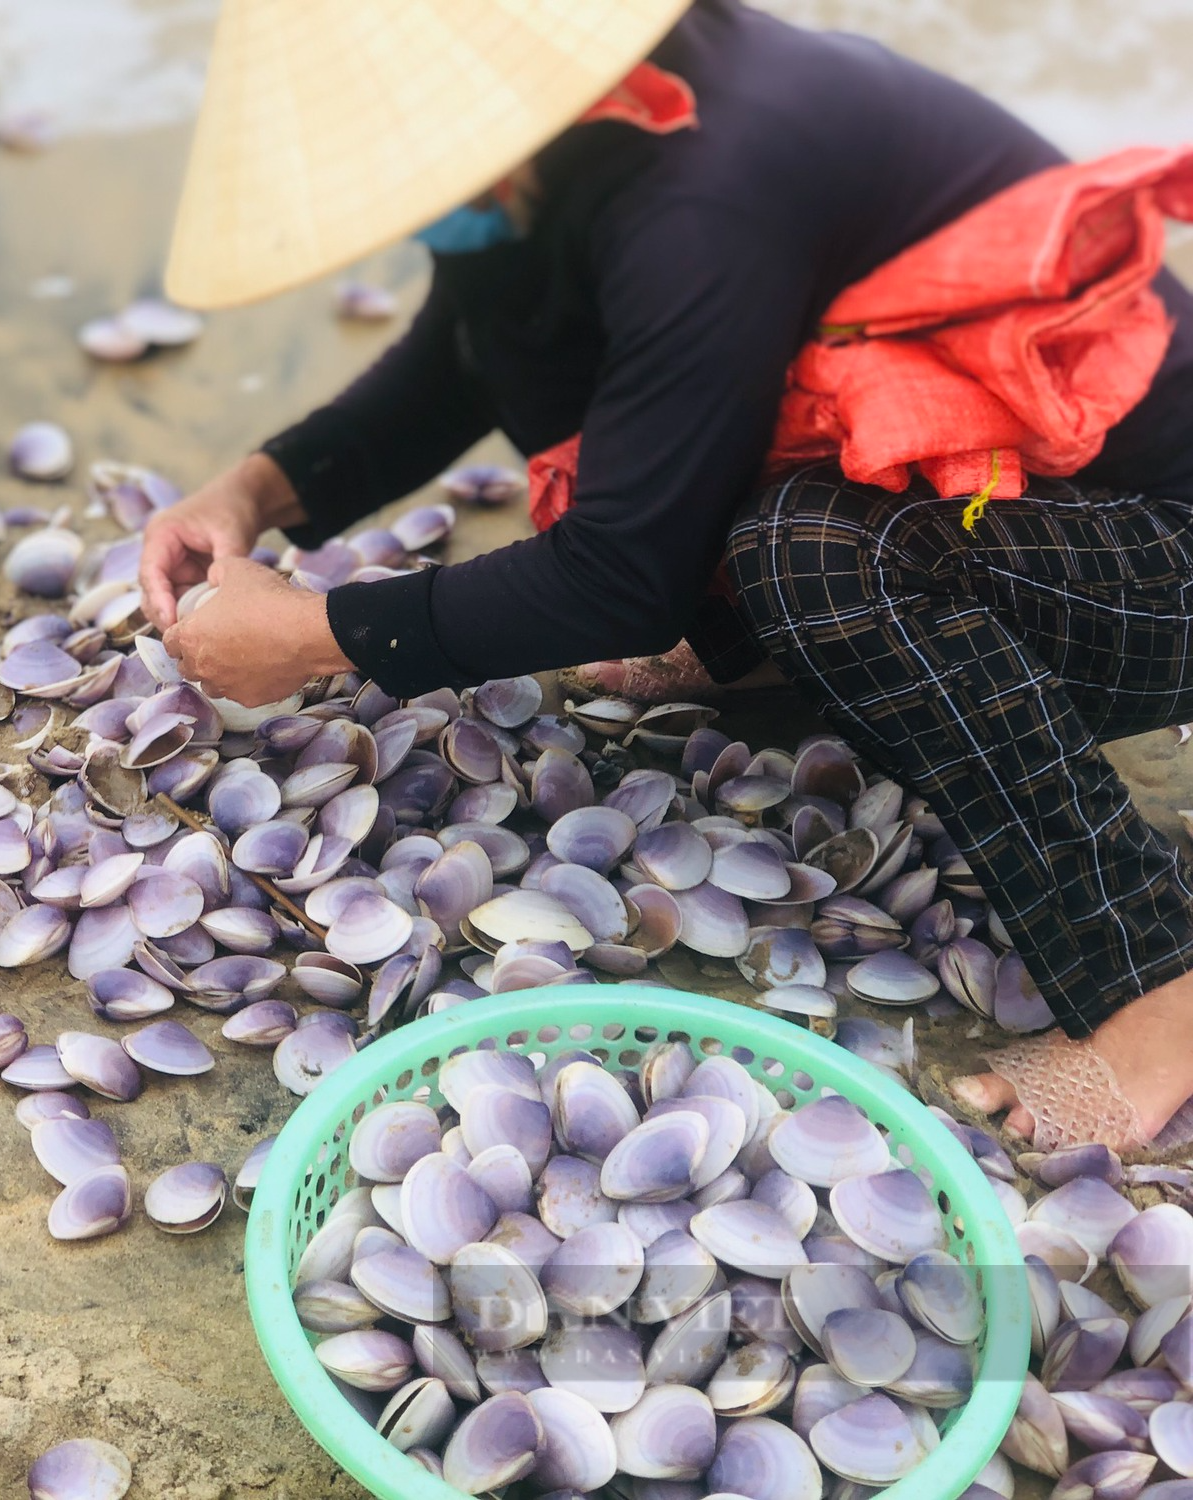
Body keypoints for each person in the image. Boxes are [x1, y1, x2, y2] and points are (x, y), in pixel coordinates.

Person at [141, 0, 1193, 1150]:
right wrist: (251, 494)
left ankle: (1154, 992)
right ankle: (761, 656)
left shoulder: (711, 179)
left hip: (1155, 561)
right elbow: (458, 356)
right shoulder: (583, 134)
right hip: (1028, 520)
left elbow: (616, 580)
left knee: (812, 559)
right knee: (698, 460)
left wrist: (315, 632)